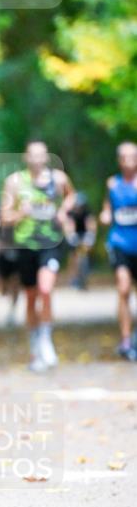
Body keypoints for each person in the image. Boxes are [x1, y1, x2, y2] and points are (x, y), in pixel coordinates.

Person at [1, 140, 76, 372]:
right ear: (26, 158)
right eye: (32, 155)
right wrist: (20, 213)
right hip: (25, 245)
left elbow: (71, 196)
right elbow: (5, 216)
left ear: (47, 157)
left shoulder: (58, 179)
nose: (37, 159)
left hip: (50, 242)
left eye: (41, 155)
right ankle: (35, 346)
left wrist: (63, 211)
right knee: (32, 296)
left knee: (46, 288)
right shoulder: (14, 182)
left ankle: (46, 340)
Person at [99, 141, 137, 361]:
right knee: (123, 288)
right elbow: (107, 208)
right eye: (124, 156)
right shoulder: (113, 184)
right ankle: (125, 340)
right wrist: (105, 215)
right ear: (119, 160)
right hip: (120, 242)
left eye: (133, 156)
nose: (129, 160)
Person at [65, 192, 97, 290]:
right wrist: (70, 235)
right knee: (73, 255)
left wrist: (91, 236)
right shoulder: (71, 212)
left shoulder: (87, 212)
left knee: (86, 251)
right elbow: (69, 224)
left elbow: (91, 224)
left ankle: (86, 274)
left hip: (84, 233)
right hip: (75, 233)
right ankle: (72, 277)